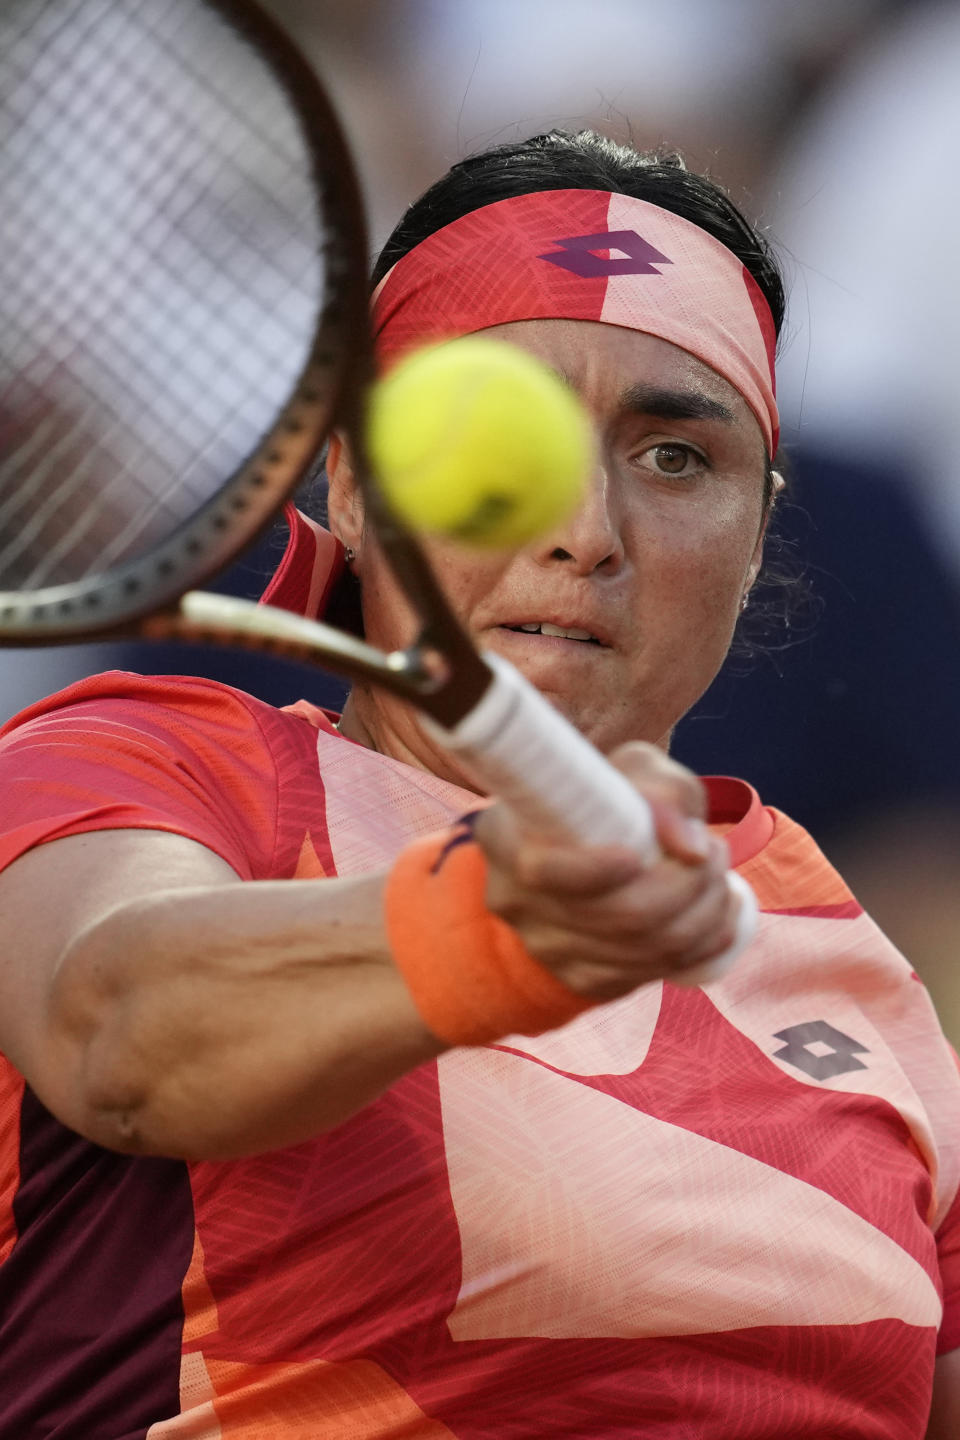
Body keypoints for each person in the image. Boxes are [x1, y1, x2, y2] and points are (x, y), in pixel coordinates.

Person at [0, 130, 957, 1440]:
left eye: (676, 456)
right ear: (347, 480)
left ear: (757, 537)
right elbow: (118, 1030)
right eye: (488, 442)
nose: (583, 529)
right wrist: (496, 921)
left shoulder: (845, 954)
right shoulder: (154, 765)